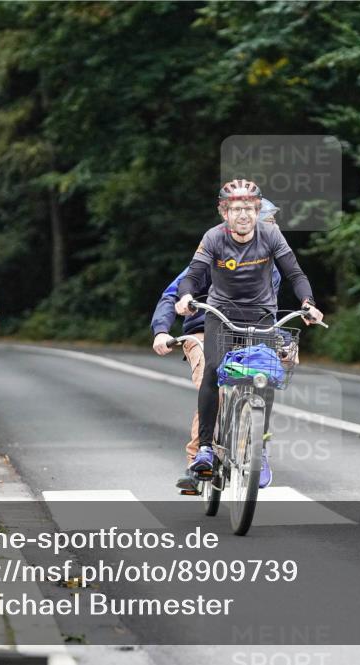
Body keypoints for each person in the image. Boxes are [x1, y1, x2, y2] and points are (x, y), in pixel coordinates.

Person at [174, 180, 324, 489]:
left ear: (258, 211)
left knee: (265, 375)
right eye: (237, 209)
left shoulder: (270, 234)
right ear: (224, 212)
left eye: (250, 209)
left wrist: (308, 304)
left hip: (262, 316)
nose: (244, 215)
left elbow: (295, 274)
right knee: (214, 372)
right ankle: (204, 450)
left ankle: (259, 450)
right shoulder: (213, 238)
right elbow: (193, 275)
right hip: (221, 317)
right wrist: (186, 298)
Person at [151, 199, 283, 492]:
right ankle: (199, 460)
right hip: (204, 330)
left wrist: (281, 340)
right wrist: (161, 330)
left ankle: (254, 451)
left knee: (266, 374)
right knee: (216, 385)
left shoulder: (272, 268)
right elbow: (172, 294)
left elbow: (268, 313)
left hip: (247, 332)